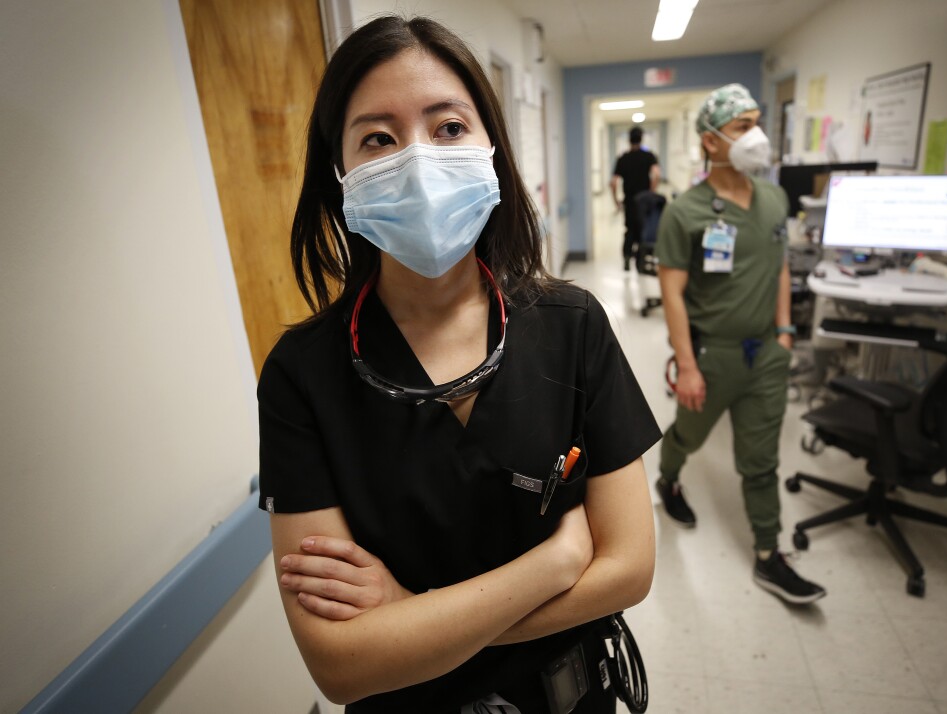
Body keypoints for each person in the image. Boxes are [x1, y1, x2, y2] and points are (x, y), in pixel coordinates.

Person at [256, 15, 660, 713]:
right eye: (378, 138)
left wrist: (414, 614)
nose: (418, 161)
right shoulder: (302, 374)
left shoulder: (573, 325)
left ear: (492, 149)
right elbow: (343, 665)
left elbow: (628, 570)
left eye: (448, 128)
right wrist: (555, 565)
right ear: (340, 172)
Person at [652, 84, 826, 605]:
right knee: (688, 434)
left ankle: (770, 556)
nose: (757, 136)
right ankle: (668, 477)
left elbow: (780, 266)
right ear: (711, 142)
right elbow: (673, 295)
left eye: (757, 122)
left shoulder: (774, 198)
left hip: (767, 353)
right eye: (742, 126)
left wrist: (785, 331)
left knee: (761, 459)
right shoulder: (686, 212)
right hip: (712, 355)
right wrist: (687, 366)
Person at [610, 127, 661, 271]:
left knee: (629, 229)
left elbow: (613, 182)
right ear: (641, 138)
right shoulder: (649, 156)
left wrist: (616, 201)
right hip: (644, 201)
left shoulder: (623, 158)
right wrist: (651, 192)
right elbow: (656, 175)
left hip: (629, 201)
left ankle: (626, 258)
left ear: (629, 139)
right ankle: (639, 262)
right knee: (642, 230)